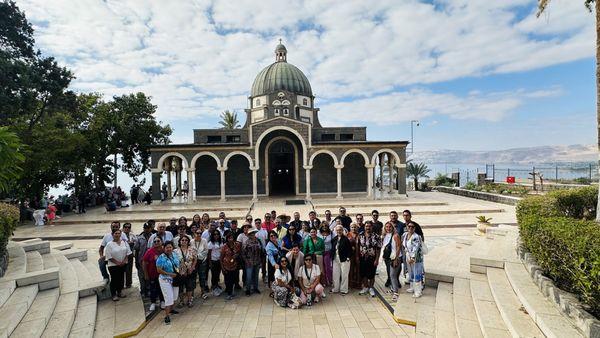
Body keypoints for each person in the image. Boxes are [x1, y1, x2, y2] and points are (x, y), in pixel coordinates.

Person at [156, 241, 180, 325]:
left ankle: (171, 309)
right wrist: (170, 274)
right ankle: (166, 316)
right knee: (168, 297)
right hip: (165, 280)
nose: (169, 249)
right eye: (167, 247)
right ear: (164, 248)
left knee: (174, 296)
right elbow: (159, 270)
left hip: (175, 279)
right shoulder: (161, 258)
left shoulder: (175, 255)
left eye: (170, 247)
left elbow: (178, 264)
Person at [105, 228, 132, 301]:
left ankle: (120, 292)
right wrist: (117, 263)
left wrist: (124, 261)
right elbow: (109, 256)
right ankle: (113, 294)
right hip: (113, 265)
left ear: (121, 234)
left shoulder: (124, 242)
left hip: (123, 264)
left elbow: (128, 252)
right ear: (112, 235)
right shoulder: (109, 244)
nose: (117, 235)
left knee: (121, 278)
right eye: (115, 233)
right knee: (114, 279)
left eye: (118, 233)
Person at [358, 222, 381, 297]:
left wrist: (377, 259)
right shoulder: (360, 235)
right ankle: (365, 287)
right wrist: (357, 256)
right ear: (364, 227)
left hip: (372, 257)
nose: (368, 228)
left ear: (372, 227)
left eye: (369, 226)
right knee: (364, 273)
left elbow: (378, 249)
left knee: (371, 274)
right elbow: (358, 246)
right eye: (366, 226)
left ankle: (371, 288)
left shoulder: (376, 236)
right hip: (363, 257)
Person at [403, 221, 424, 298]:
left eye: (412, 227)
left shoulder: (416, 236)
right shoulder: (405, 235)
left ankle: (418, 291)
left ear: (415, 228)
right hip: (408, 255)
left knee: (416, 273)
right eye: (409, 226)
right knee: (411, 272)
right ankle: (412, 287)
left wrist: (412, 257)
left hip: (416, 258)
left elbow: (416, 248)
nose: (410, 228)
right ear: (407, 227)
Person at [142, 236, 164, 311]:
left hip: (163, 274)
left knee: (162, 288)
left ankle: (162, 301)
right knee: (153, 289)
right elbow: (144, 262)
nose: (156, 243)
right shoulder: (149, 251)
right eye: (155, 242)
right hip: (153, 274)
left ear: (161, 242)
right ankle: (153, 303)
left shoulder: (165, 250)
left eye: (158, 241)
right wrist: (146, 274)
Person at [174, 235, 197, 307]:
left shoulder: (192, 249)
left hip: (190, 271)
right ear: (179, 242)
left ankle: (189, 300)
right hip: (180, 272)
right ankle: (181, 301)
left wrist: (192, 267)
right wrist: (179, 271)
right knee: (181, 287)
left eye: (186, 240)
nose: (184, 241)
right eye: (182, 240)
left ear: (188, 242)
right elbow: (174, 262)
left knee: (189, 286)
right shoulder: (175, 251)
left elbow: (195, 259)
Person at [382, 222, 402, 301]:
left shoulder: (395, 235)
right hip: (388, 258)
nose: (388, 228)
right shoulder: (386, 235)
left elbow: (398, 247)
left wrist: (396, 259)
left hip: (395, 258)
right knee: (390, 275)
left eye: (390, 227)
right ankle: (393, 289)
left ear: (393, 227)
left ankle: (396, 293)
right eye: (386, 227)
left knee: (393, 275)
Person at [331, 225, 352, 295]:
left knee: (344, 275)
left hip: (344, 259)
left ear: (342, 230)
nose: (339, 231)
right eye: (337, 230)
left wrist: (348, 258)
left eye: (340, 230)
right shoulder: (334, 239)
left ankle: (344, 290)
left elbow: (350, 250)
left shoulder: (346, 239)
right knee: (335, 274)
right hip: (335, 258)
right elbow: (333, 249)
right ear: (335, 231)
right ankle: (335, 288)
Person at [221, 231, 241, 300]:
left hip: (234, 266)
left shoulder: (237, 245)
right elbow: (221, 258)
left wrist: (236, 255)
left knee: (233, 280)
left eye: (232, 238)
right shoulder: (224, 246)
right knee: (227, 281)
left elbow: (239, 252)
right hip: (226, 266)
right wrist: (222, 268)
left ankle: (231, 292)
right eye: (229, 238)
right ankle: (229, 293)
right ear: (227, 239)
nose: (230, 239)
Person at [135, 222, 154, 296]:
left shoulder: (154, 237)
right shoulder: (139, 238)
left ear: (150, 228)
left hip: (151, 261)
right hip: (141, 261)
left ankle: (149, 289)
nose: (147, 230)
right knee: (141, 276)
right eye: (145, 228)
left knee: (149, 276)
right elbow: (136, 250)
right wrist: (136, 261)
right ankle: (143, 290)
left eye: (148, 228)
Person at [242, 228, 262, 296]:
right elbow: (243, 253)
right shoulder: (246, 242)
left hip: (257, 261)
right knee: (249, 277)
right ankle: (248, 290)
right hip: (249, 262)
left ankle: (255, 288)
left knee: (256, 276)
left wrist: (260, 261)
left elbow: (260, 252)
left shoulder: (258, 241)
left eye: (253, 233)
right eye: (251, 233)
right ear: (249, 235)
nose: (252, 234)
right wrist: (246, 261)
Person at [191, 229, 209, 300]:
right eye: (197, 233)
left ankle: (203, 292)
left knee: (202, 277)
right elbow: (191, 250)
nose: (199, 235)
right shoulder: (191, 241)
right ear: (194, 233)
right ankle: (191, 294)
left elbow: (206, 251)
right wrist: (195, 257)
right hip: (193, 262)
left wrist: (198, 256)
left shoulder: (204, 240)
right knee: (193, 277)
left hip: (202, 261)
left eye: (200, 233)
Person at [207, 229, 223, 295]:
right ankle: (214, 287)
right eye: (215, 234)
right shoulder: (210, 243)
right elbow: (209, 254)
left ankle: (216, 285)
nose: (216, 235)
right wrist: (210, 263)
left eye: (217, 234)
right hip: (213, 261)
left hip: (219, 261)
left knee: (218, 274)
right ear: (212, 235)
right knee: (214, 275)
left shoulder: (220, 242)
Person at [347, 223, 362, 289]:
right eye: (352, 227)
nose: (353, 228)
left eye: (355, 227)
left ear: (357, 228)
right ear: (350, 228)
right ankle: (351, 284)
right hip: (351, 255)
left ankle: (358, 284)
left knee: (358, 269)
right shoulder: (348, 235)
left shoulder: (360, 235)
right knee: (351, 269)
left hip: (359, 254)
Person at [122, 223, 136, 288]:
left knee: (129, 269)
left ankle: (128, 283)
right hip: (122, 255)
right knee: (122, 270)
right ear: (123, 228)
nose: (127, 229)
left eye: (128, 227)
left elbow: (136, 241)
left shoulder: (132, 234)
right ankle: (122, 284)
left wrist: (132, 243)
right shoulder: (121, 234)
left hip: (130, 254)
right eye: (125, 227)